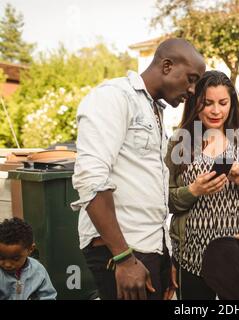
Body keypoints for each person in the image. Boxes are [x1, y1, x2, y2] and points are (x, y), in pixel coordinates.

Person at [71, 38, 206, 300]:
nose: (192, 90)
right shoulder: (114, 96)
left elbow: (147, 189)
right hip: (122, 251)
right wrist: (123, 258)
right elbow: (91, 178)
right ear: (167, 66)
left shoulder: (154, 109)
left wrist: (166, 257)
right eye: (190, 79)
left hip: (147, 249)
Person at [165, 70, 239, 299]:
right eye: (207, 103)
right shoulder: (179, 141)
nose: (216, 110)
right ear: (195, 104)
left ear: (232, 103)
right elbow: (164, 200)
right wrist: (193, 191)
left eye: (223, 102)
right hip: (192, 258)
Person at [0, 218, 57, 300]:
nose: (7, 264)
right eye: (1, 257)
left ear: (30, 249)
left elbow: (48, 296)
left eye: (15, 259)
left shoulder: (38, 270)